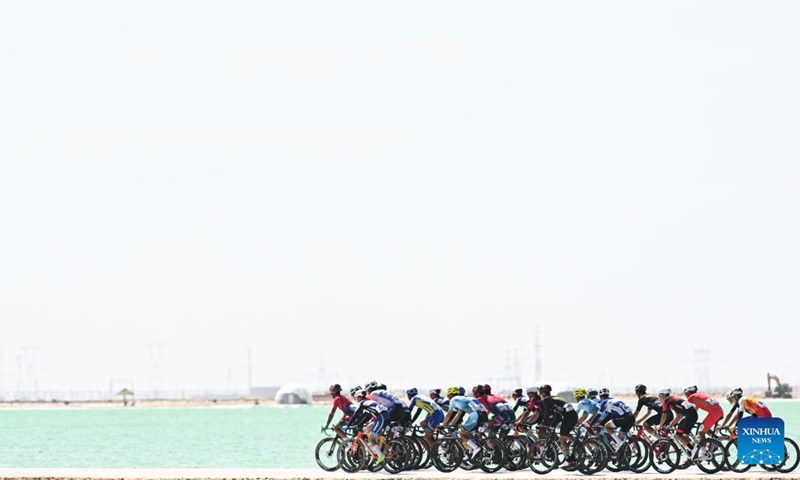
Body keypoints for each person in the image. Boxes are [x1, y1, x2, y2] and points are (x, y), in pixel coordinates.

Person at [346, 386, 391, 465]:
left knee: (371, 438)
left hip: (381, 417)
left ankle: (380, 455)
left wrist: (348, 425)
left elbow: (355, 415)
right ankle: (377, 447)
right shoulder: (369, 402)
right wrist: (359, 424)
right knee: (368, 428)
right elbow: (367, 416)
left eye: (356, 398)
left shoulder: (362, 403)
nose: (356, 400)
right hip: (385, 416)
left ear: (359, 397)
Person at [441, 386, 489, 459]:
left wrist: (443, 425)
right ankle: (473, 448)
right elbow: (458, 414)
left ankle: (475, 448)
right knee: (469, 433)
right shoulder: (464, 399)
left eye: (448, 396)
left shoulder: (453, 400)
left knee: (462, 433)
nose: (448, 398)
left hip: (476, 415)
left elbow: (448, 415)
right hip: (484, 414)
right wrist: (452, 424)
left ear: (450, 395)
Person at [656, 388, 699, 455]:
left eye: (659, 396)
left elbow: (664, 415)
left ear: (662, 395)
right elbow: (679, 416)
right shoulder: (674, 400)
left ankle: (693, 449)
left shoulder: (666, 401)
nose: (659, 398)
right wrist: (670, 426)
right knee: (684, 435)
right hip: (694, 415)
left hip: (689, 416)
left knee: (678, 435)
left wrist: (660, 426)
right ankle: (695, 448)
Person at [539, 384, 578, 456]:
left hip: (569, 417)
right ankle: (573, 447)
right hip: (572, 416)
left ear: (543, 393)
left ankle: (569, 455)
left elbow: (548, 413)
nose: (539, 396)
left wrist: (543, 423)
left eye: (540, 394)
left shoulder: (546, 399)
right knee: (563, 436)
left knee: (562, 438)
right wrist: (552, 425)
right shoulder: (554, 398)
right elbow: (557, 415)